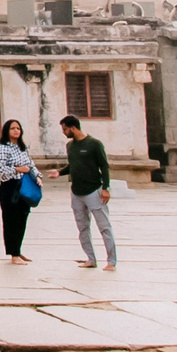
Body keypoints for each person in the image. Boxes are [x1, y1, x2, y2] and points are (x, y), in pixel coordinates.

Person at [58, 114, 116, 270]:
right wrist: (59, 172)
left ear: (73, 127)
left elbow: (104, 166)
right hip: (76, 192)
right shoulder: (70, 146)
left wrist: (106, 188)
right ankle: (90, 258)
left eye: (65, 129)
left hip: (93, 191)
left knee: (104, 226)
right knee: (82, 227)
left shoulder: (94, 144)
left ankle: (111, 261)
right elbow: (73, 165)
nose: (64, 132)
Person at [0, 118, 37, 264]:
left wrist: (37, 177)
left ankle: (17, 249)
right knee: (11, 219)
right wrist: (18, 169)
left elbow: (30, 165)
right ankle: (13, 254)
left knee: (22, 218)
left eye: (18, 128)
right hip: (10, 186)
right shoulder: (3, 148)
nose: (16, 131)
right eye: (13, 128)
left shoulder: (22, 147)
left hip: (23, 185)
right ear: (7, 131)